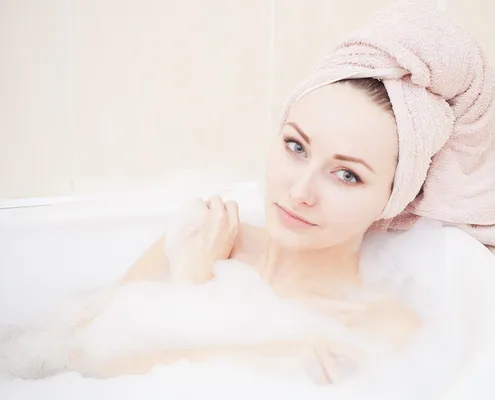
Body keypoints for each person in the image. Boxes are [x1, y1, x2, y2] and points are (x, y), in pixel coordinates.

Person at [66, 78, 422, 384]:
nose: (300, 192)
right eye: (296, 147)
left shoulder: (378, 326)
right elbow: (80, 360)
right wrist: (194, 286)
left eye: (347, 175)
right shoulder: (203, 236)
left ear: (393, 200)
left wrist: (193, 286)